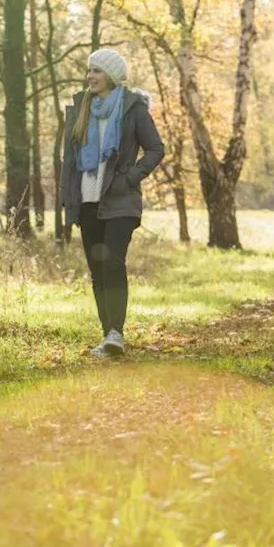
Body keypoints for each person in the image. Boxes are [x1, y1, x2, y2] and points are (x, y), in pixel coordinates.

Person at [60, 48, 164, 357]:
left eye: (97, 71)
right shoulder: (80, 109)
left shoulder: (132, 108)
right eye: (89, 71)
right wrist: (69, 200)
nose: (90, 76)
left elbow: (156, 149)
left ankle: (116, 333)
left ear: (112, 76)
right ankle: (108, 336)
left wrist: (129, 178)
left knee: (112, 262)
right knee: (96, 269)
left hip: (120, 200)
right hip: (87, 201)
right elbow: (70, 160)